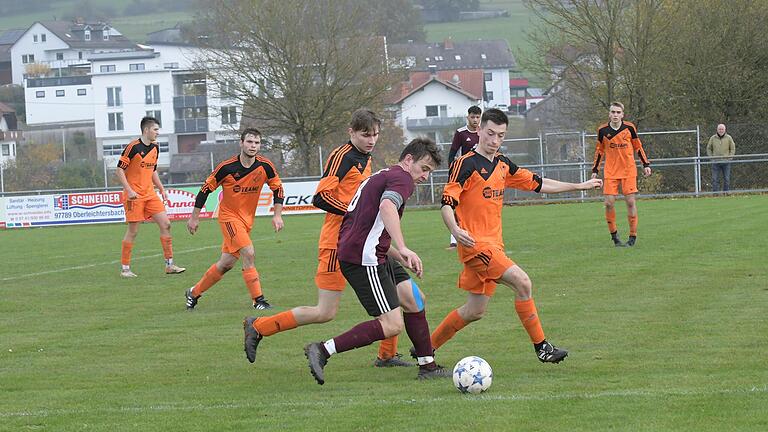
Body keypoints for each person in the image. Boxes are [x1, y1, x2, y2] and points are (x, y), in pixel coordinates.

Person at [240, 109, 413, 367]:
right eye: (366, 135)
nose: (372, 140)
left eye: (376, 134)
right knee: (325, 312)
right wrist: (355, 213)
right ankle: (260, 326)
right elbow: (321, 196)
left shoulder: (366, 157)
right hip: (337, 242)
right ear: (351, 132)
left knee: (401, 293)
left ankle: (387, 355)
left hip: (364, 241)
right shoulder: (342, 157)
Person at [431, 108, 602, 364]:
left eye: (500, 136)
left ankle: (426, 348)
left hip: (494, 247)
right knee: (523, 282)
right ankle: (542, 347)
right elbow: (446, 203)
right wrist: (454, 230)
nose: (495, 141)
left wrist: (579, 186)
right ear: (479, 131)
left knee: (474, 311)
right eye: (490, 134)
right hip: (475, 247)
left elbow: (539, 183)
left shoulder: (503, 165)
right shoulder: (464, 164)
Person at [295, 138, 448, 385]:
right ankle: (322, 350)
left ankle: (427, 366)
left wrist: (400, 256)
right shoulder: (403, 178)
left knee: (414, 298)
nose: (425, 177)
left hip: (370, 252)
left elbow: (370, 229)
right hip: (364, 258)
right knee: (391, 324)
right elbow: (388, 207)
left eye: (430, 172)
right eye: (425, 169)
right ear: (409, 160)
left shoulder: (385, 175)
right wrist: (404, 247)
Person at [185, 128, 284, 310]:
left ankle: (193, 293)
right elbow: (205, 190)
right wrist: (194, 218)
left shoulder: (265, 166)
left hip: (247, 221)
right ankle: (258, 300)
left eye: (256, 143)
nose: (253, 146)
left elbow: (278, 188)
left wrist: (277, 215)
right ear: (241, 143)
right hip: (229, 218)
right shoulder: (226, 167)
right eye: (249, 142)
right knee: (249, 252)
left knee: (226, 264)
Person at [116, 116, 185, 277]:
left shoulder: (155, 148)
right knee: (133, 231)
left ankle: (169, 265)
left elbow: (152, 170)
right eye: (155, 129)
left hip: (150, 194)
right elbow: (119, 171)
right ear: (146, 130)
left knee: (166, 224)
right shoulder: (132, 147)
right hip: (134, 196)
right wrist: (130, 190)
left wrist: (162, 189)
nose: (157, 133)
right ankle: (125, 269)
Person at [591, 102, 651, 247]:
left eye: (618, 112)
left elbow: (638, 146)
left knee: (630, 202)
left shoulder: (630, 128)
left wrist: (646, 164)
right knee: (609, 203)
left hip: (628, 170)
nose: (615, 115)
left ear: (622, 114)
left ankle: (632, 236)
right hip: (611, 171)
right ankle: (615, 236)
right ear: (609, 114)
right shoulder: (603, 130)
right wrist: (595, 170)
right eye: (613, 112)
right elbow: (599, 151)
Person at [446, 105, 482, 249]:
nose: (475, 120)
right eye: (472, 117)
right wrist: (452, 172)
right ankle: (454, 238)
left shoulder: (484, 133)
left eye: (478, 117)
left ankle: (477, 235)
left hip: (479, 175)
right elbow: (452, 153)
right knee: (457, 205)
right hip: (463, 174)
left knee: (477, 205)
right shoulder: (461, 133)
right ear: (468, 117)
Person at [707, 123, 736, 193]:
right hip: (715, 162)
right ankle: (715, 194)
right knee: (715, 179)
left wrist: (730, 158)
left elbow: (732, 148)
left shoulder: (729, 138)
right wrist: (712, 158)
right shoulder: (713, 138)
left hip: (726, 162)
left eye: (722, 129)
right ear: (717, 130)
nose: (721, 130)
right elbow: (708, 148)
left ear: (725, 130)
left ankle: (726, 193)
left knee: (727, 179)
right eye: (719, 129)